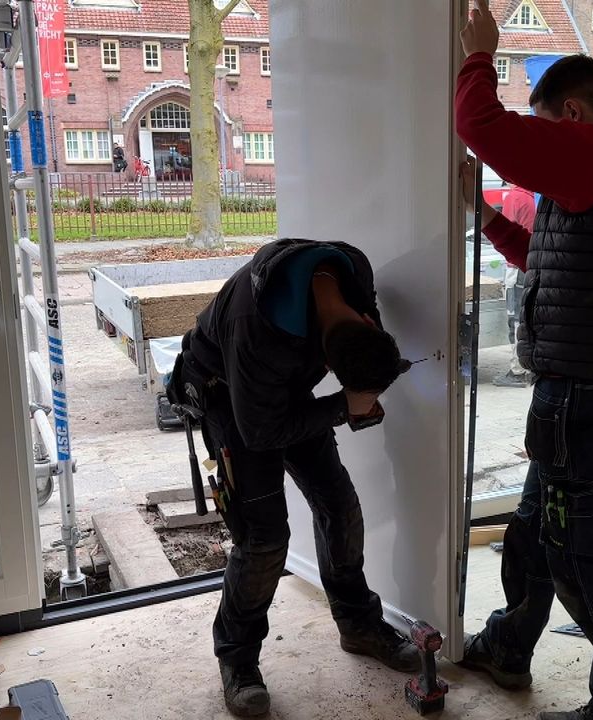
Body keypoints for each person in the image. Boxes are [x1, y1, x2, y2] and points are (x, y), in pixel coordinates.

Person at [454, 2, 593, 719]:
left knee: (583, 557)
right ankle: (509, 648)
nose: (546, 146)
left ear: (574, 114)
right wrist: (486, 217)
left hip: (588, 390)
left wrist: (479, 53)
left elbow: (479, 127)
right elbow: (544, 264)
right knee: (533, 533)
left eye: (548, 126)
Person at [170, 239, 419, 718]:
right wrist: (342, 407)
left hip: (284, 386)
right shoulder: (255, 325)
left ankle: (358, 624)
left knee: (339, 505)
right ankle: (238, 660)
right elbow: (260, 431)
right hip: (228, 394)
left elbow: (358, 353)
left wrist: (355, 393)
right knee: (265, 538)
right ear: (320, 355)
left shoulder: (352, 273)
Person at [492, 181, 536, 388]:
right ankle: (526, 367)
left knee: (515, 320)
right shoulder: (529, 196)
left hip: (516, 267)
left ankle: (517, 371)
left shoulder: (514, 197)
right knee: (524, 317)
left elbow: (505, 229)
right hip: (528, 265)